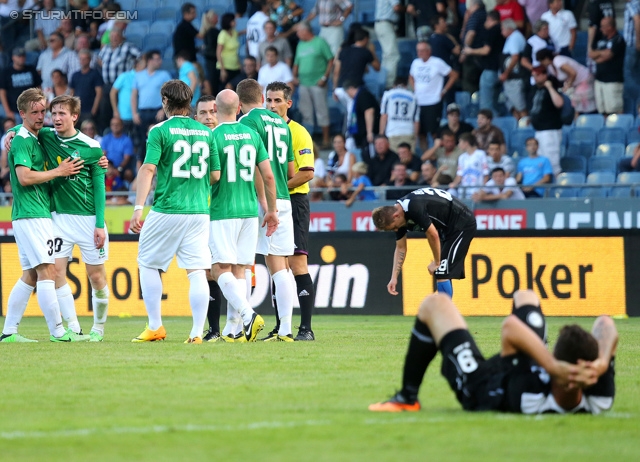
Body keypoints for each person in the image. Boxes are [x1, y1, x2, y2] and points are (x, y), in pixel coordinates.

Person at [369, 290, 617, 414]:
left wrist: (551, 366)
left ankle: (407, 398)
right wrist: (603, 363)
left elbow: (509, 330)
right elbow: (606, 322)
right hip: (526, 362)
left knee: (435, 304)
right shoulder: (599, 397)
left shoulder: (529, 394)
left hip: (484, 383)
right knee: (525, 295)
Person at [130, 80, 222, 344]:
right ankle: (196, 333)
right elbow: (215, 175)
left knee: (147, 263)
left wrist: (139, 208)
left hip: (168, 208)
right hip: (199, 211)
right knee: (196, 271)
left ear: (165, 102)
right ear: (189, 103)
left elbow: (148, 169)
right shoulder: (206, 133)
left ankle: (156, 326)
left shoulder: (159, 130)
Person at [0, 88, 86, 343]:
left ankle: (8, 332)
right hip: (33, 214)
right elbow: (24, 177)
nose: (41, 116)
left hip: (29, 214)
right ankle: (58, 332)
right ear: (23, 113)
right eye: (35, 112)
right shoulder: (24, 140)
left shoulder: (32, 136)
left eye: (43, 111)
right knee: (48, 271)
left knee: (30, 274)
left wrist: (10, 130)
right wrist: (58, 172)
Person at [209, 89, 279, 343]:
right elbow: (268, 176)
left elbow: (212, 176)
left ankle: (248, 315)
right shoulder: (252, 135)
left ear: (215, 110)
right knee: (240, 270)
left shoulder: (212, 136)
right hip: (250, 211)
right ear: (239, 108)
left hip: (222, 210)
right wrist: (270, 210)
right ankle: (233, 330)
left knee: (219, 269)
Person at [237, 78, 296, 342]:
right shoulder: (283, 124)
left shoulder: (247, 122)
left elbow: (256, 166)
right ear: (262, 97)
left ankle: (241, 326)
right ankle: (284, 328)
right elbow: (290, 171)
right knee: (281, 266)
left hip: (262, 201)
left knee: (247, 264)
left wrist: (264, 203)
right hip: (284, 197)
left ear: (239, 104)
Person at [264, 80, 318, 341]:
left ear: (288, 103)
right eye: (269, 100)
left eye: (277, 100)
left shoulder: (297, 132)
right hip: (273, 205)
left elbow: (306, 173)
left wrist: (277, 189)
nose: (272, 105)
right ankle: (280, 326)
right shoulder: (264, 131)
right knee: (276, 266)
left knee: (297, 264)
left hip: (294, 203)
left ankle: (306, 329)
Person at [372, 185, 477, 299]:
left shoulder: (413, 207)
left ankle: (443, 314)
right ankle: (443, 311)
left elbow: (432, 234)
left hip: (462, 223)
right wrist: (394, 277)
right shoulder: (398, 215)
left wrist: (437, 262)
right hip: (445, 228)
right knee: (441, 271)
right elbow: (401, 248)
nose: (396, 230)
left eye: (394, 227)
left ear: (396, 216)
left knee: (441, 270)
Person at [410, 41, 459, 151]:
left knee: (434, 132)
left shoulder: (437, 62)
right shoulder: (415, 63)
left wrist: (444, 91)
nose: (420, 53)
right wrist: (415, 89)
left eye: (422, 51)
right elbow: (411, 76)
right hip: (418, 102)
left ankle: (438, 154)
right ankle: (426, 156)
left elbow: (454, 75)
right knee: (421, 133)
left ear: (429, 51)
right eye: (418, 51)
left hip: (433, 101)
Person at [293, 21, 334, 148]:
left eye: (299, 31)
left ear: (306, 31)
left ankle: (326, 141)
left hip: (318, 83)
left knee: (322, 112)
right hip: (304, 84)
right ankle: (307, 142)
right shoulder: (300, 44)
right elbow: (296, 63)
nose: (297, 34)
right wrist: (294, 76)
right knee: (306, 114)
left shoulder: (320, 42)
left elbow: (331, 60)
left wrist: (324, 77)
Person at [131, 50, 172, 159]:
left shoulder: (164, 75)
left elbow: (170, 94)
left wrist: (163, 110)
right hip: (142, 113)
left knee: (160, 141)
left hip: (158, 111)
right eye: (157, 59)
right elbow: (134, 96)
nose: (160, 61)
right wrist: (134, 113)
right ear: (150, 60)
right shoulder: (138, 76)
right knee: (142, 143)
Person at [462, 10, 504, 118]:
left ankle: (487, 122)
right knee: (494, 100)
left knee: (486, 103)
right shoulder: (502, 30)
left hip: (490, 69)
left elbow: (486, 50)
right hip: (499, 69)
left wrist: (470, 51)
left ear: (489, 19)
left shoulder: (492, 31)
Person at [536, 49, 596, 115]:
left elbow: (573, 73)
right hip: (575, 85)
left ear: (546, 58)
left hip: (585, 80)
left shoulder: (557, 60)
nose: (541, 63)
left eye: (541, 61)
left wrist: (567, 86)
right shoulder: (550, 68)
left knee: (581, 101)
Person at [529, 65, 563, 177]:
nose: (535, 78)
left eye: (538, 75)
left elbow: (559, 103)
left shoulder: (552, 86)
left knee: (552, 161)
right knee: (541, 162)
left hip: (550, 130)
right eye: (534, 75)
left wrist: (549, 87)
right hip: (538, 130)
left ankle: (558, 187)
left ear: (545, 75)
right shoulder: (534, 89)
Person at [589, 17, 626, 116]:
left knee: (615, 109)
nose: (601, 29)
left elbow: (608, 56)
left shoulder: (618, 39)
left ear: (610, 27)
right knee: (603, 110)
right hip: (599, 80)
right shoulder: (601, 39)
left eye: (603, 27)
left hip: (613, 81)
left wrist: (599, 55)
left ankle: (618, 130)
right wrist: (602, 53)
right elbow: (591, 54)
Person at [0, 48, 42, 124]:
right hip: (14, 110)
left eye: (23, 56)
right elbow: (2, 92)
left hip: (31, 108)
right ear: (13, 57)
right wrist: (8, 111)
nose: (21, 58)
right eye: (19, 56)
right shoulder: (6, 72)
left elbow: (39, 88)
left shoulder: (31, 69)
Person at [379, 76, 420, 153]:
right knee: (407, 160)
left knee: (395, 161)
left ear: (394, 85)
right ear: (406, 86)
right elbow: (416, 121)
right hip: (408, 131)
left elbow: (384, 116)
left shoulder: (388, 94)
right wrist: (415, 138)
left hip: (392, 132)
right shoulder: (414, 97)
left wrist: (381, 133)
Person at [343, 79, 380, 155]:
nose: (348, 95)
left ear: (351, 88)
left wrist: (369, 132)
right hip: (362, 135)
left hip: (367, 135)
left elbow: (369, 111)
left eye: (347, 93)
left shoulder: (363, 95)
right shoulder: (359, 96)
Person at [500, 19, 527, 120]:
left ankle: (525, 129)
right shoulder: (511, 38)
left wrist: (506, 73)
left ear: (509, 29)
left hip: (514, 78)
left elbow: (515, 57)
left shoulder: (515, 37)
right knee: (513, 107)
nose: (501, 32)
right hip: (509, 79)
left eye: (503, 29)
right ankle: (519, 125)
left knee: (520, 107)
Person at [449, 132, 489, 199]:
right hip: (463, 191)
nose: (458, 145)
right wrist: (454, 183)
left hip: (476, 190)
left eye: (460, 142)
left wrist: (483, 189)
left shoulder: (481, 154)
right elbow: (459, 175)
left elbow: (486, 174)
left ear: (466, 143)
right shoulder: (461, 157)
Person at [69, 49, 104, 124]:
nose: (83, 61)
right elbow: (71, 93)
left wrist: (94, 110)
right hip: (77, 111)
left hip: (90, 110)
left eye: (85, 59)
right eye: (81, 59)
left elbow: (99, 93)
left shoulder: (95, 74)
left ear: (89, 59)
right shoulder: (75, 75)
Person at [375, 0, 402, 88]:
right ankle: (389, 84)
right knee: (392, 55)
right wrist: (405, 8)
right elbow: (396, 7)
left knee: (387, 56)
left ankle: (383, 82)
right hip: (386, 24)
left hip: (381, 24)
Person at [623, 0, 640, 115]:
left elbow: (637, 20)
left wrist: (638, 41)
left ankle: (632, 113)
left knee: (629, 80)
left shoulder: (632, 4)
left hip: (633, 46)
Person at [217, 13, 242, 90]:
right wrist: (222, 70)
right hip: (226, 67)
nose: (235, 22)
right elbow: (218, 52)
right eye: (233, 20)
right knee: (225, 90)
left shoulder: (234, 32)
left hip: (235, 66)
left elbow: (235, 51)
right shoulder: (222, 34)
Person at [201, 10, 220, 94]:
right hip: (214, 61)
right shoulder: (213, 32)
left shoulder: (208, 31)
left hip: (210, 61)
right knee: (214, 83)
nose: (217, 17)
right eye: (215, 15)